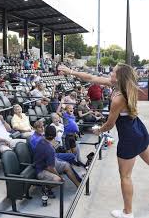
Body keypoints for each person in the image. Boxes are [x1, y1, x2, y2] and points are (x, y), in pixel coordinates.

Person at [58, 63, 149, 218]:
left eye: (113, 72)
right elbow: (92, 77)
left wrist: (98, 130)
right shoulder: (121, 86)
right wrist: (71, 71)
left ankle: (128, 213)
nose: (110, 74)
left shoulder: (119, 98)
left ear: (119, 77)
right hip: (139, 131)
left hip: (129, 138)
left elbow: (110, 124)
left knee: (125, 176)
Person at [34, 125, 80, 190]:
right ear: (55, 136)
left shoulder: (41, 140)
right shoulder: (50, 149)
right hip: (41, 170)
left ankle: (78, 184)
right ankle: (46, 188)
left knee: (66, 165)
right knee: (58, 181)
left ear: (45, 133)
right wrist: (59, 176)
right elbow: (50, 168)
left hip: (47, 165)